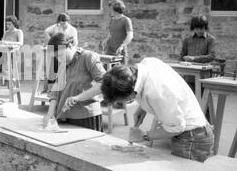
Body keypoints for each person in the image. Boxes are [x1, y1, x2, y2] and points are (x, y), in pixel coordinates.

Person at [66, 58, 214, 162]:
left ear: (131, 94)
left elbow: (177, 127)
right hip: (187, 131)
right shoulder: (144, 65)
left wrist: (143, 136)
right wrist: (142, 109)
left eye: (121, 101)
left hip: (193, 137)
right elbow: (109, 83)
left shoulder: (157, 93)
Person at [43, 33, 106, 131]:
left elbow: (104, 83)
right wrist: (49, 115)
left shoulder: (88, 57)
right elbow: (54, 93)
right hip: (64, 118)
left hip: (87, 118)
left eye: (60, 55)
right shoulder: (62, 63)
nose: (59, 59)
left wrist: (78, 98)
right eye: (56, 57)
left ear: (70, 46)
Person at [43, 13, 79, 93]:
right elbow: (46, 31)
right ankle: (50, 88)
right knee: (52, 64)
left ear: (67, 22)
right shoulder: (56, 27)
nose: (62, 25)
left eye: (64, 23)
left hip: (67, 51)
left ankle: (63, 88)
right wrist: (50, 41)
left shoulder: (72, 30)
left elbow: (75, 43)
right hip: (57, 51)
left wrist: (66, 43)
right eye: (60, 23)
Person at [0, 15, 23, 86]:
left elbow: (20, 43)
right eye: (7, 24)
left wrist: (7, 42)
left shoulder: (18, 32)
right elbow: (3, 42)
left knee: (12, 70)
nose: (8, 26)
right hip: (5, 53)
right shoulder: (6, 32)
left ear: (14, 24)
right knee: (5, 69)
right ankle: (10, 84)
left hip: (14, 53)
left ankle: (13, 83)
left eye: (10, 24)